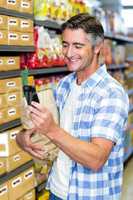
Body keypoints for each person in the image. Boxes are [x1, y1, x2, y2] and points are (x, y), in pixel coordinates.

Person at [16, 13, 129, 200]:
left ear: (97, 47)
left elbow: (96, 159)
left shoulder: (111, 93)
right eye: (65, 44)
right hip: (57, 190)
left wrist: (52, 129)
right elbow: (42, 132)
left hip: (89, 195)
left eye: (78, 46)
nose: (68, 53)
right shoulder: (64, 85)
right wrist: (23, 139)